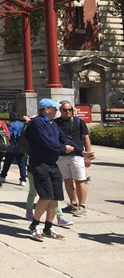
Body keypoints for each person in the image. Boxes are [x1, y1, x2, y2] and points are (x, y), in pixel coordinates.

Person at [26, 98, 91, 241]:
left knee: (56, 197)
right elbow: (46, 143)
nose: (57, 111)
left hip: (52, 164)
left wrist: (81, 152)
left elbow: (64, 138)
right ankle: (35, 225)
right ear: (47, 109)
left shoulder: (52, 124)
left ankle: (48, 227)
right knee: (46, 196)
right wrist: (63, 149)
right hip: (40, 164)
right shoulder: (37, 123)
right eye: (55, 108)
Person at [55, 100, 92, 217]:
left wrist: (88, 156)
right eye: (65, 110)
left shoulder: (79, 122)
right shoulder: (55, 123)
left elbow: (86, 138)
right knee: (67, 180)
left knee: (80, 180)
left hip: (77, 156)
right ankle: (73, 204)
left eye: (69, 109)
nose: (67, 112)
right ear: (60, 111)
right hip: (62, 156)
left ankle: (82, 206)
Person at [0, 113, 28, 186]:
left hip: (12, 148)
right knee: (22, 164)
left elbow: (8, 135)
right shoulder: (23, 124)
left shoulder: (11, 125)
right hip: (22, 148)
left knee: (7, 163)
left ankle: (3, 176)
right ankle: (23, 179)